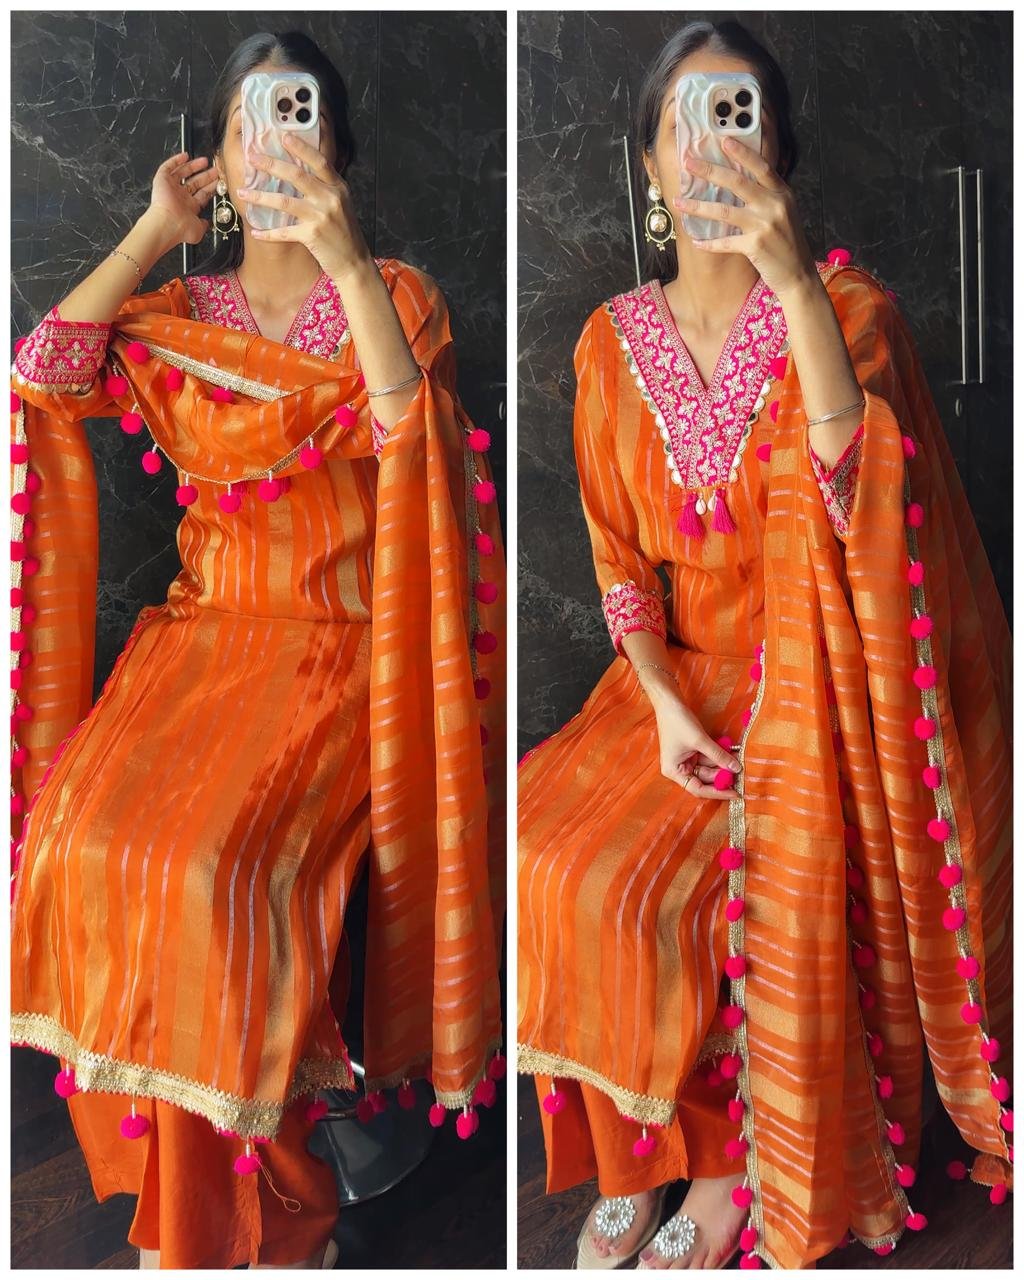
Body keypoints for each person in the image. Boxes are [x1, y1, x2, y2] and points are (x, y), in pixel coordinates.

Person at [516, 19, 1011, 1271]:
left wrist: (792, 290)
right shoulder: (606, 343)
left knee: (709, 891)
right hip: (672, 685)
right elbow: (618, 564)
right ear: (646, 162)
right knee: (546, 852)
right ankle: (635, 1152)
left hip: (818, 680)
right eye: (681, 124)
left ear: (778, 153)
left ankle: (732, 1165)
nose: (709, 150)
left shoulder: (848, 312)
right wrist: (660, 701)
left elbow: (859, 510)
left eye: (736, 117)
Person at [10, 29, 506, 1270]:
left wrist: (341, 254)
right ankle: (182, 1198)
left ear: (336, 151)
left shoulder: (394, 295)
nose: (276, 143)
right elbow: (44, 374)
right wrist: (152, 231)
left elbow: (411, 437)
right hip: (199, 640)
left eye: (300, 118)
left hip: (340, 652)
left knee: (216, 874)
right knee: (78, 837)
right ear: (219, 161)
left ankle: (272, 1216)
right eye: (251, 124)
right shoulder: (181, 312)